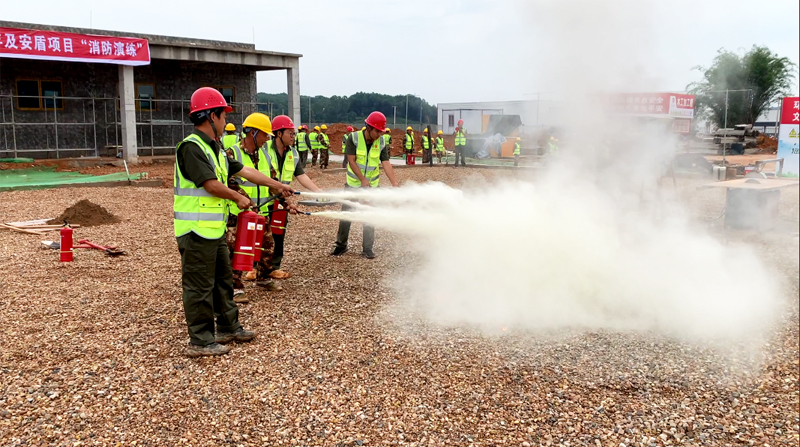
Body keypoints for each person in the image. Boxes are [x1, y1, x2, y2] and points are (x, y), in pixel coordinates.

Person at [174, 87, 293, 357]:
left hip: (212, 229)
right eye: (222, 115)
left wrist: (278, 186)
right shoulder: (191, 148)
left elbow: (246, 171)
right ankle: (201, 341)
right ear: (211, 116)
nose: (225, 121)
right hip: (194, 231)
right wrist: (238, 199)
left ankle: (228, 326)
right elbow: (211, 185)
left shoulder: (215, 148)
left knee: (223, 281)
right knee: (199, 286)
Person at [225, 113, 282, 301]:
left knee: (267, 246)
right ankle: (235, 287)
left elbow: (272, 181)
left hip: (260, 212)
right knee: (237, 249)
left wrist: (285, 201)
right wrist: (246, 200)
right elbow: (230, 182)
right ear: (253, 132)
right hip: (238, 213)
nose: (267, 139)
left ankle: (264, 278)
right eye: (265, 134)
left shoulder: (264, 154)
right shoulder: (232, 153)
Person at [331, 111, 400, 259]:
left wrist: (394, 182)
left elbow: (386, 163)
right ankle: (341, 246)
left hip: (372, 187)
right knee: (346, 215)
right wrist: (362, 179)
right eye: (377, 131)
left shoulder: (381, 142)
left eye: (381, 132)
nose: (379, 135)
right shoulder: (353, 138)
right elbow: (351, 160)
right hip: (353, 184)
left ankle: (367, 248)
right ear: (368, 127)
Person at [263, 115, 325, 275]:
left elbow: (301, 176)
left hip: (281, 200)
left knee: (278, 233)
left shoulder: (293, 153)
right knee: (259, 234)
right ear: (278, 134)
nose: (293, 136)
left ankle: (274, 267)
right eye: (290, 133)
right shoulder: (264, 150)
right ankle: (256, 268)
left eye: (293, 133)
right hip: (263, 199)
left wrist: (317, 190)